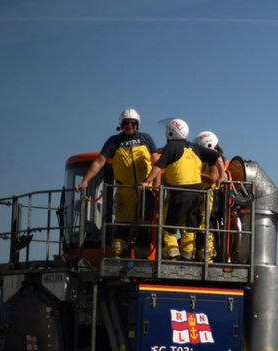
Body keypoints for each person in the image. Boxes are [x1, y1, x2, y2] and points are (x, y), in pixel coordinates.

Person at [77, 108, 157, 258]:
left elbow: (157, 163)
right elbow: (100, 161)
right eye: (126, 123)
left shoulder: (146, 139)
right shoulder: (114, 141)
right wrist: (85, 180)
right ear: (121, 124)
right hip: (124, 190)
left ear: (138, 124)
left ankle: (143, 257)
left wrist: (157, 186)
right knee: (122, 225)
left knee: (145, 225)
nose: (130, 126)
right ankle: (118, 256)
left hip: (145, 190)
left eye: (133, 123)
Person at [141, 119, 224, 260]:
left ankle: (173, 253)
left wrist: (147, 181)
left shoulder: (171, 148)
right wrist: (221, 175)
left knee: (168, 225)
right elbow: (217, 156)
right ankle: (188, 254)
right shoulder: (194, 148)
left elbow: (158, 167)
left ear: (170, 132)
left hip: (181, 192)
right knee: (189, 225)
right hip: (197, 193)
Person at [193, 131, 226, 261]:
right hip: (203, 194)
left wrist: (195, 173)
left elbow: (213, 178)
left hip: (210, 195)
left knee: (206, 224)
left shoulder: (215, 160)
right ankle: (202, 252)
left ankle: (205, 253)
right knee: (201, 224)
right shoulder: (214, 158)